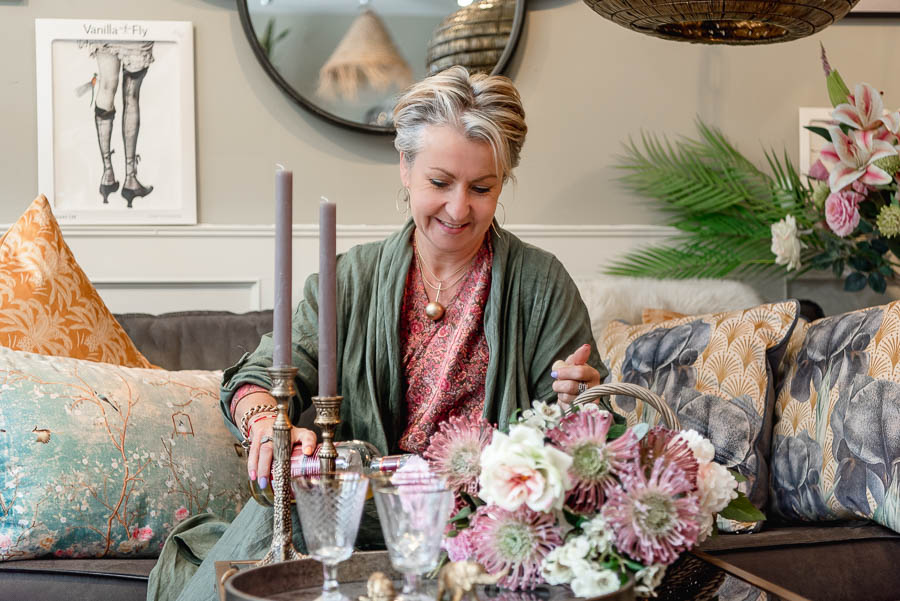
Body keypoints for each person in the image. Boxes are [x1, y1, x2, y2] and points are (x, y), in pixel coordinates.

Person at [147, 66, 607, 601]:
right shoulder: (349, 279)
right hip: (347, 521)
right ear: (406, 168)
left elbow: (589, 439)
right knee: (280, 525)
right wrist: (266, 421)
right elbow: (263, 374)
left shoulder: (541, 284)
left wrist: (582, 400)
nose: (459, 208)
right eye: (440, 182)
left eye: (482, 188)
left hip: (480, 533)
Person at [88, 41, 155, 207]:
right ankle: (130, 179)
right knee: (131, 96)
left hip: (106, 30)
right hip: (135, 32)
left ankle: (107, 175)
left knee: (106, 87)